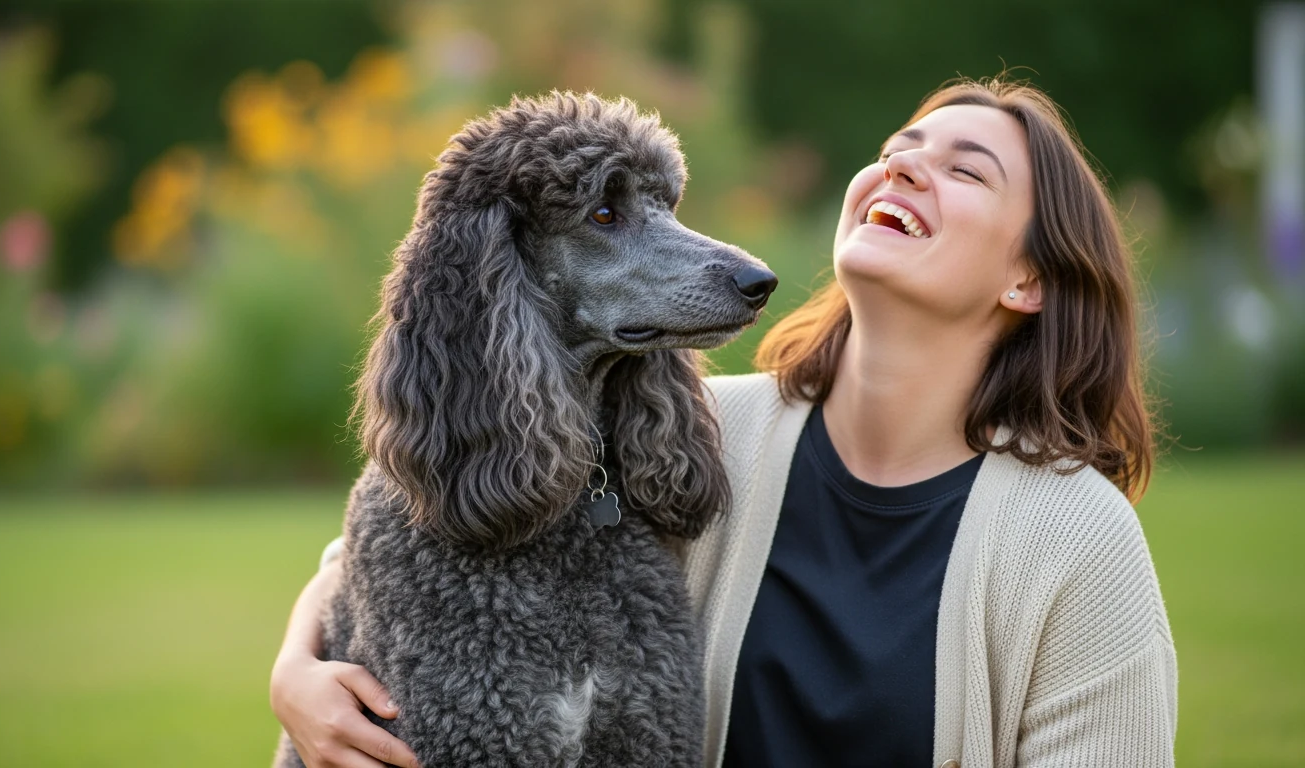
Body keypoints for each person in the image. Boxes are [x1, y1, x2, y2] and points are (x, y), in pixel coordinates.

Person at [269, 77, 1176, 768]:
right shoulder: (716, 433)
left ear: (1029, 280)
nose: (905, 166)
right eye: (901, 147)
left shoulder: (1077, 542)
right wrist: (296, 674)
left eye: (964, 170)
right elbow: (390, 540)